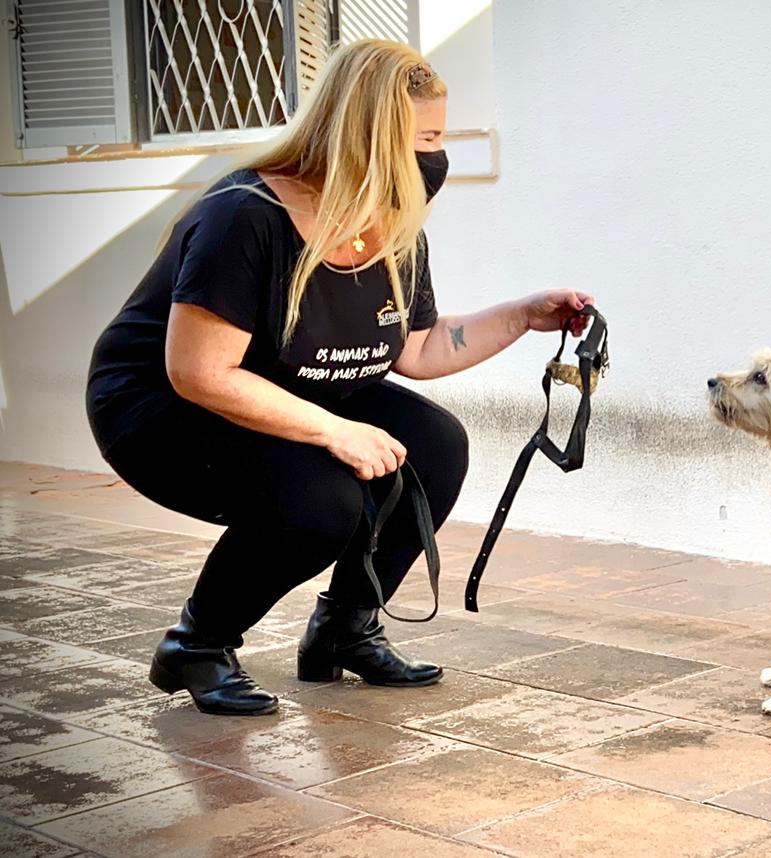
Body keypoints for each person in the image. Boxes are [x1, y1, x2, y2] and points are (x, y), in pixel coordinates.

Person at [84, 40, 593, 716]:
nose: (436, 159)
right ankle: (196, 643)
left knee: (436, 446)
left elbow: (418, 348)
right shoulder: (245, 216)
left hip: (283, 384)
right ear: (368, 140)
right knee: (323, 500)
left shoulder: (393, 227)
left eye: (439, 140)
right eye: (425, 141)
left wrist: (524, 315)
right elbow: (199, 372)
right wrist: (334, 431)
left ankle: (344, 629)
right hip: (160, 409)